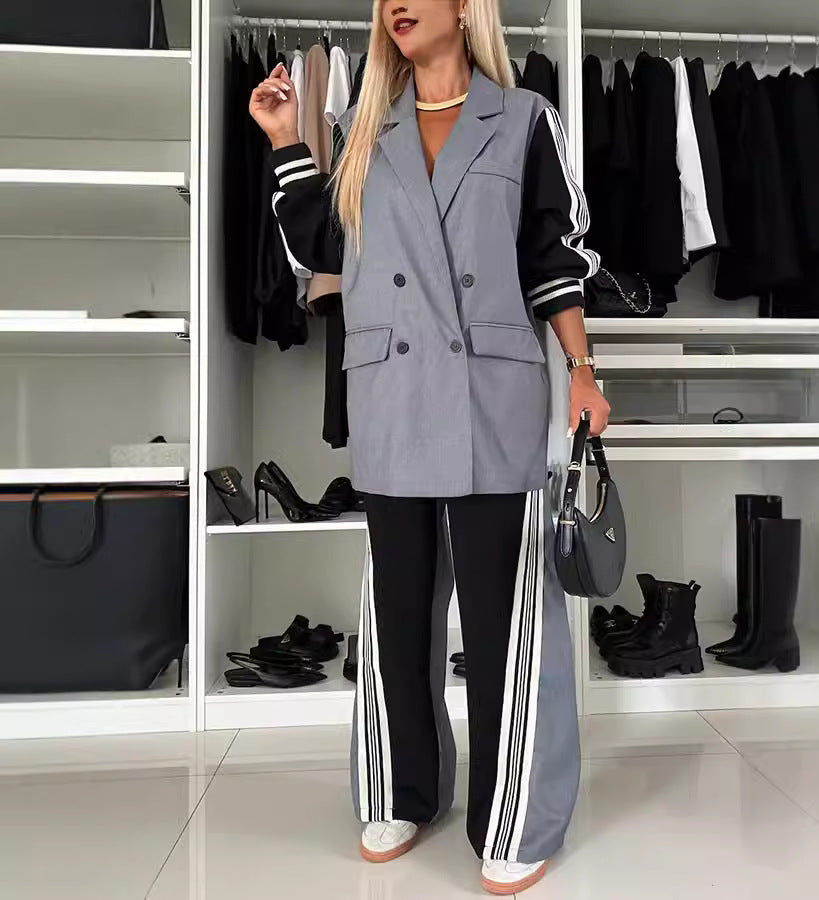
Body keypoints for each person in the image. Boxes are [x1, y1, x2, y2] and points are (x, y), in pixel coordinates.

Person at [249, 1, 609, 893]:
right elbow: (322, 244)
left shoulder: (524, 119)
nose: (395, 6)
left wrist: (582, 370)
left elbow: (553, 258)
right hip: (392, 392)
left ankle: (514, 812)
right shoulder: (364, 126)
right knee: (399, 614)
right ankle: (403, 790)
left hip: (490, 390)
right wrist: (287, 140)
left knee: (502, 623)